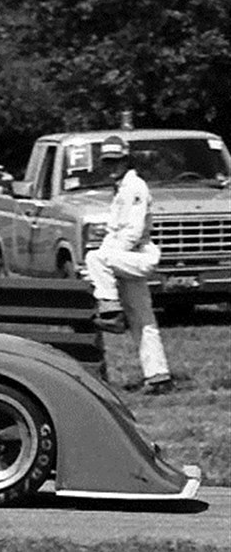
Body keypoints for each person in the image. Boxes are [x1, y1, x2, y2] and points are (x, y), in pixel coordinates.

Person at [85, 135, 173, 394]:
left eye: (117, 161)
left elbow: (133, 232)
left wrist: (110, 257)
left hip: (137, 255)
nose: (112, 166)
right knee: (143, 318)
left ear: (126, 160)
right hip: (123, 258)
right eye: (108, 162)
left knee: (94, 257)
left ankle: (111, 311)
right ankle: (158, 376)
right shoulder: (120, 188)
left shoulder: (135, 187)